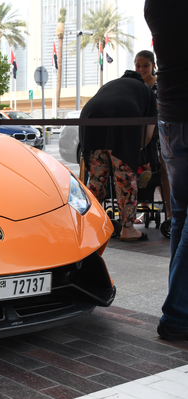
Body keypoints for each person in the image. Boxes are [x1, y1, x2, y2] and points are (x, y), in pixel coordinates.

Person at [145, 0, 188, 341]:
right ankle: (178, 314)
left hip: (171, 116)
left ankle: (181, 304)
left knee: (181, 215)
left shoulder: (156, 5)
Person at [79, 70, 157, 242]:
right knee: (125, 179)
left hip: (91, 116)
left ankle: (92, 225)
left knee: (96, 179)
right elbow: (149, 132)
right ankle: (128, 229)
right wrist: (134, 152)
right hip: (125, 116)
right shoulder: (146, 90)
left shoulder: (110, 85)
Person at [134, 49, 172, 220]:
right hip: (140, 134)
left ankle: (170, 212)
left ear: (153, 66)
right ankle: (145, 210)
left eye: (145, 66)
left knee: (163, 171)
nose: (141, 69)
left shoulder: (160, 85)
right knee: (142, 172)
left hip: (160, 134)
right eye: (138, 66)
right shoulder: (135, 86)